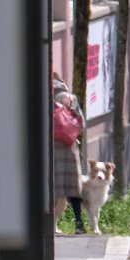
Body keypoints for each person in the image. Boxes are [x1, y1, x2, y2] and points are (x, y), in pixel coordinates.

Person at [51, 72, 87, 234]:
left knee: (54, 187)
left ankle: (52, 224)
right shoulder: (70, 98)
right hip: (69, 147)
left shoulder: (45, 99)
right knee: (73, 187)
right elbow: (81, 123)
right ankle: (79, 223)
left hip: (51, 148)